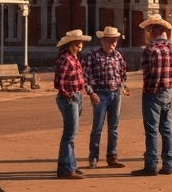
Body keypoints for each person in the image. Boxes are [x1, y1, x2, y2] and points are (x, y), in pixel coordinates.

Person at [133, 13, 172, 177]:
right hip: (168, 91)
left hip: (153, 93)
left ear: (153, 31)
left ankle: (151, 164)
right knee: (166, 128)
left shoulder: (150, 50)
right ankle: (167, 164)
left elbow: (147, 73)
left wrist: (150, 89)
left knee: (152, 130)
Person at [52, 29, 97, 179]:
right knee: (70, 134)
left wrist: (88, 92)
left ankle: (71, 165)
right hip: (70, 98)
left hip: (76, 95)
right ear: (71, 43)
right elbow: (59, 81)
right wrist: (68, 94)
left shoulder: (74, 58)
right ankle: (65, 168)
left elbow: (81, 79)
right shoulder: (66, 59)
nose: (80, 45)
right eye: (78, 42)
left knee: (72, 133)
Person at [82, 26, 129, 169]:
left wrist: (123, 86)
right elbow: (85, 76)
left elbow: (122, 73)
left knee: (113, 128)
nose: (112, 45)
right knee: (97, 127)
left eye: (114, 42)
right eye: (109, 41)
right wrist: (91, 93)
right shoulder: (93, 56)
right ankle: (93, 157)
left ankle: (112, 156)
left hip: (115, 93)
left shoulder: (118, 56)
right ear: (102, 41)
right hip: (100, 94)